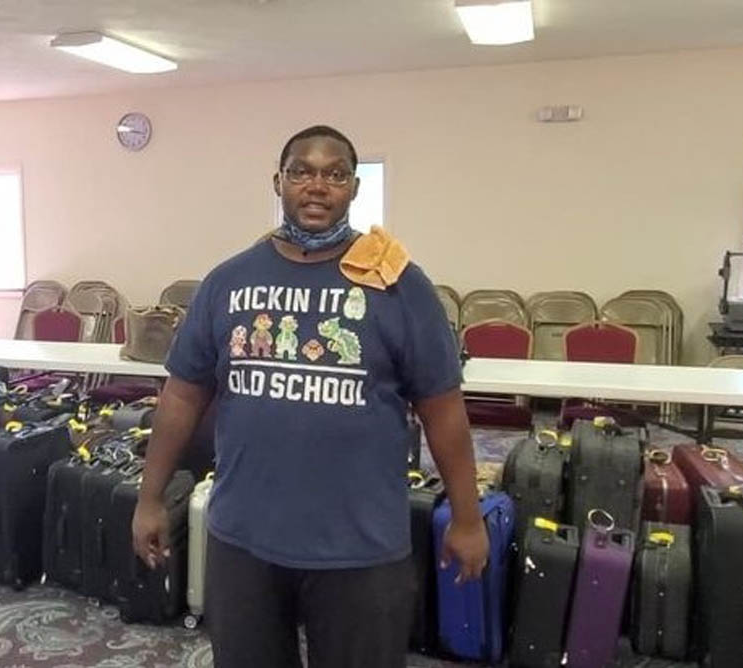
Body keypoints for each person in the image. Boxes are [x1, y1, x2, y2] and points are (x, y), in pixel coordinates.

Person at [132, 125, 488, 668]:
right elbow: (181, 397)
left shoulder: (398, 286)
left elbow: (443, 412)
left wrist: (467, 518)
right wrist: (150, 496)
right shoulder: (228, 282)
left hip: (360, 546)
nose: (317, 185)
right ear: (278, 182)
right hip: (243, 539)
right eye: (301, 171)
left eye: (335, 174)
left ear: (353, 188)